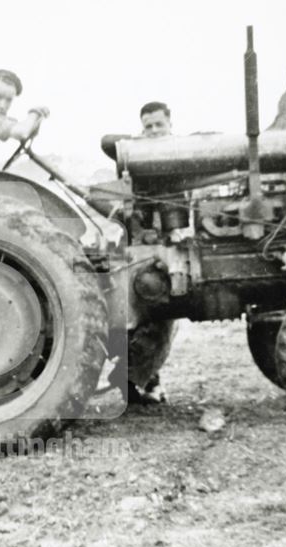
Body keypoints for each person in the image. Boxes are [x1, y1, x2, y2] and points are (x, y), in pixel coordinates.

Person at [109, 101, 178, 406]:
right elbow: (108, 143)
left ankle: (145, 380)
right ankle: (134, 383)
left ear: (169, 125)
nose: (152, 131)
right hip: (138, 249)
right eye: (147, 126)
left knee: (162, 319)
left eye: (158, 125)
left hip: (168, 246)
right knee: (140, 316)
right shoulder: (136, 161)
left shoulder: (181, 156)